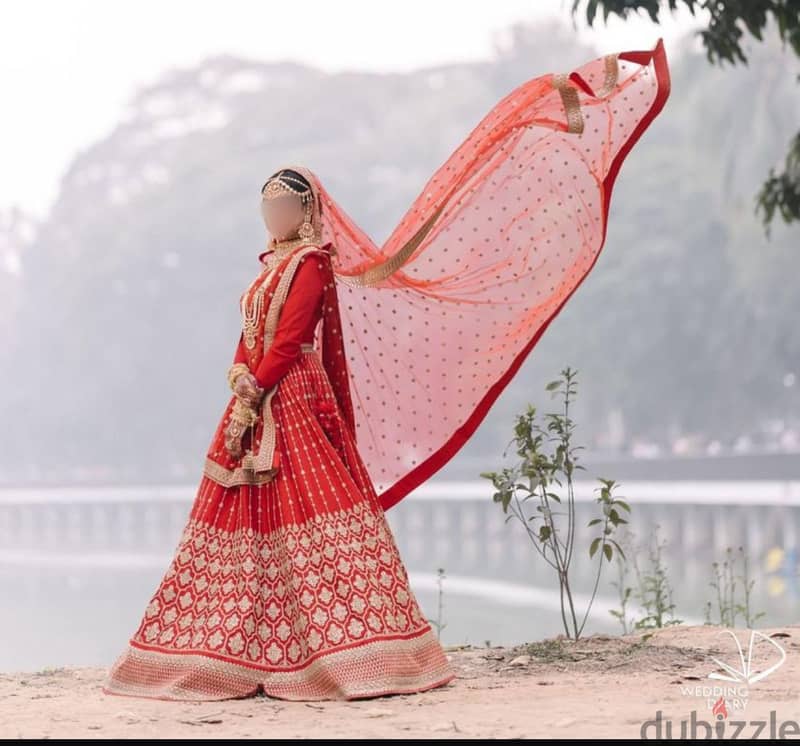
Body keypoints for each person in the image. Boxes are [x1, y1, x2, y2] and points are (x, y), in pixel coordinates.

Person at [102, 38, 670, 702]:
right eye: (266, 210)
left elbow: (288, 340)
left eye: (281, 208)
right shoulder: (267, 268)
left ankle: (362, 654)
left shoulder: (311, 263)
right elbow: (250, 335)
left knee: (322, 520)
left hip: (291, 401)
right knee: (244, 528)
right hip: (253, 405)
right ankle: (237, 651)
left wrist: (257, 386)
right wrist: (240, 385)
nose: (272, 219)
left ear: (306, 212)